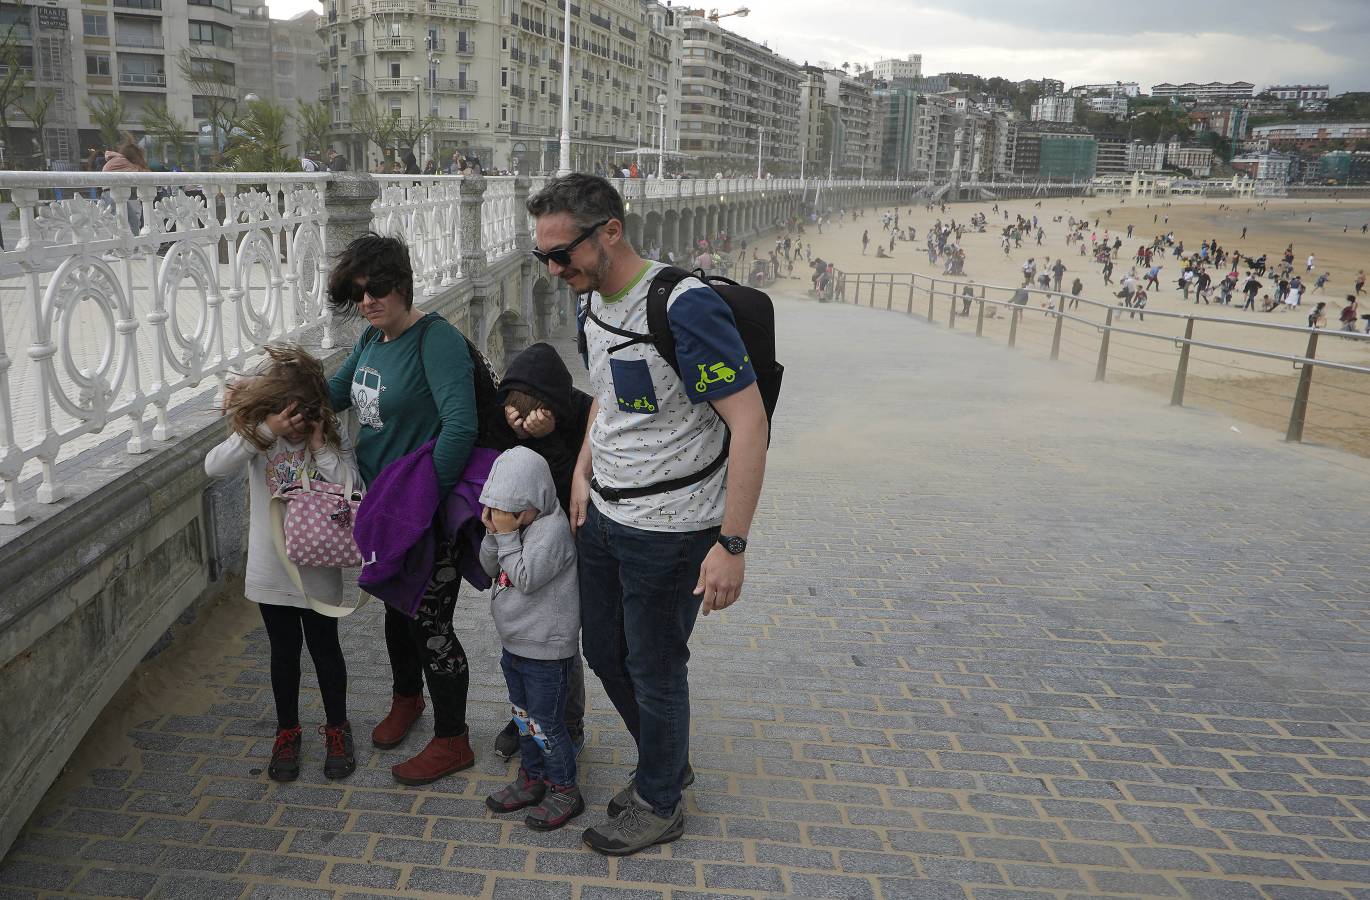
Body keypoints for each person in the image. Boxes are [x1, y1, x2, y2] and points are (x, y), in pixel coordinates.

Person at [527, 175, 767, 856]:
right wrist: (580, 472)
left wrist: (733, 543)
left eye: (561, 251)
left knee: (657, 665)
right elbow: (604, 390)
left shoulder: (682, 307)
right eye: (541, 255)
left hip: (672, 528)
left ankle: (660, 799)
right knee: (605, 651)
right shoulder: (590, 300)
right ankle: (667, 761)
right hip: (604, 514)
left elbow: (748, 425)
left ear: (610, 231)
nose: (553, 268)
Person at [325, 234, 484, 786]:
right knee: (397, 611)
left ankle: (453, 739)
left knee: (431, 622)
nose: (369, 301)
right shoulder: (371, 339)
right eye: (359, 293)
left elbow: (460, 426)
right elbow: (335, 393)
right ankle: (406, 699)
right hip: (384, 506)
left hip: (424, 508)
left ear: (404, 284)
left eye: (379, 289)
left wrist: (420, 503)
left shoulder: (435, 341)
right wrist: (270, 402)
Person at [205, 346, 357, 782]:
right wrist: (266, 431)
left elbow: (352, 485)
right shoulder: (260, 436)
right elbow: (214, 466)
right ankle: (287, 730)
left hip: (318, 566)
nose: (294, 423)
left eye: (301, 414)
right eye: (286, 414)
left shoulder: (327, 433)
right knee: (283, 654)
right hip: (272, 566)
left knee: (326, 649)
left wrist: (320, 446)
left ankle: (337, 727)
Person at [488, 342, 592, 760]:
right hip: (521, 538)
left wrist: (548, 440)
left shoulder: (582, 412)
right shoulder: (508, 415)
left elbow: (574, 487)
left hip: (571, 537)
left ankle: (567, 721)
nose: (526, 423)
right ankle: (528, 717)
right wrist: (513, 434)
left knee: (560, 642)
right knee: (523, 641)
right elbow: (505, 475)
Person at [479, 447, 585, 831]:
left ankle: (564, 788)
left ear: (536, 501)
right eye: (496, 511)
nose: (505, 521)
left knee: (545, 724)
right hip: (516, 646)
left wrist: (506, 535)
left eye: (512, 515)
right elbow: (488, 566)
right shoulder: (512, 526)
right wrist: (495, 533)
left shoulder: (551, 530)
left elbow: (524, 578)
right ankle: (532, 777)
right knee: (524, 719)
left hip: (545, 649)